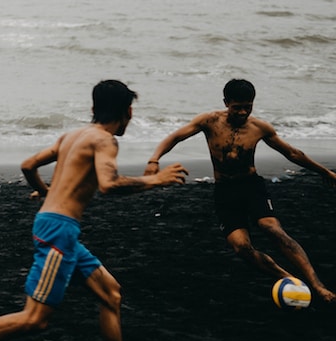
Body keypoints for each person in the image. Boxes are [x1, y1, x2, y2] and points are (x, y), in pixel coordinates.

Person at [0, 80, 187, 341]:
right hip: (58, 232)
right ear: (129, 111)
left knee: (111, 294)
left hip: (59, 227)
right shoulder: (104, 140)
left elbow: (28, 165)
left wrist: (45, 192)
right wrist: (155, 180)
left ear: (93, 108)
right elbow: (109, 185)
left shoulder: (72, 136)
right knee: (34, 319)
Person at [144, 78, 336, 303]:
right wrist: (154, 159)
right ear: (226, 103)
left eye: (248, 106)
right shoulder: (209, 121)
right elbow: (175, 137)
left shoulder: (259, 128)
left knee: (272, 228)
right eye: (237, 107)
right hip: (225, 191)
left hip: (251, 186)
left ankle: (317, 285)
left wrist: (325, 172)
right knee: (241, 247)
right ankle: (291, 281)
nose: (243, 112)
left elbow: (293, 154)